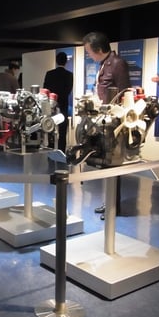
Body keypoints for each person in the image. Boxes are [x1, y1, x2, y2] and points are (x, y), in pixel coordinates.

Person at [83, 31, 131, 218]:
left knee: (113, 163)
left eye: (89, 51)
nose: (89, 55)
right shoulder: (105, 64)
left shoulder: (117, 64)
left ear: (98, 49)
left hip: (114, 122)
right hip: (103, 120)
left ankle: (113, 205)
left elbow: (124, 94)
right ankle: (109, 202)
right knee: (105, 163)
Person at [43, 51, 73, 153]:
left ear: (56, 61)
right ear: (66, 62)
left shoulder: (49, 74)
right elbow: (68, 90)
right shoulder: (69, 75)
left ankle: (50, 149)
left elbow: (45, 89)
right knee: (63, 130)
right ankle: (61, 151)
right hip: (63, 105)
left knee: (49, 127)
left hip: (51, 105)